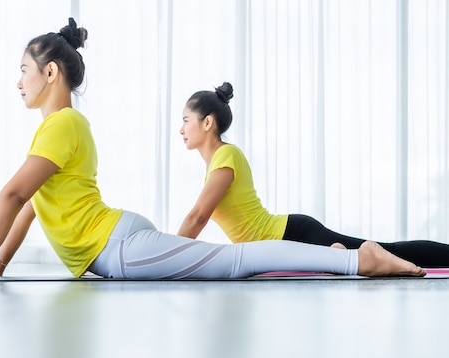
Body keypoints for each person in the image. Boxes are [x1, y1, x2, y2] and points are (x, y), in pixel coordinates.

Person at [0, 19, 425, 281]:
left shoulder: (63, 124)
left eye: (22, 71)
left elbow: (10, 195)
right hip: (118, 239)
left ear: (49, 72)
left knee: (234, 264)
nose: (18, 82)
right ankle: (346, 259)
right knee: (235, 263)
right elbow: (30, 203)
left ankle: (357, 262)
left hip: (118, 249)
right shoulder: (61, 128)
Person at [177, 81, 449, 268]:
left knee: (389, 252)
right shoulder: (217, 162)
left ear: (208, 122)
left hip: (291, 235)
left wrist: (168, 256)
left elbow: (198, 215)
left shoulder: (227, 156)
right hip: (283, 241)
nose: (182, 130)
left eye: (186, 120)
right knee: (385, 252)